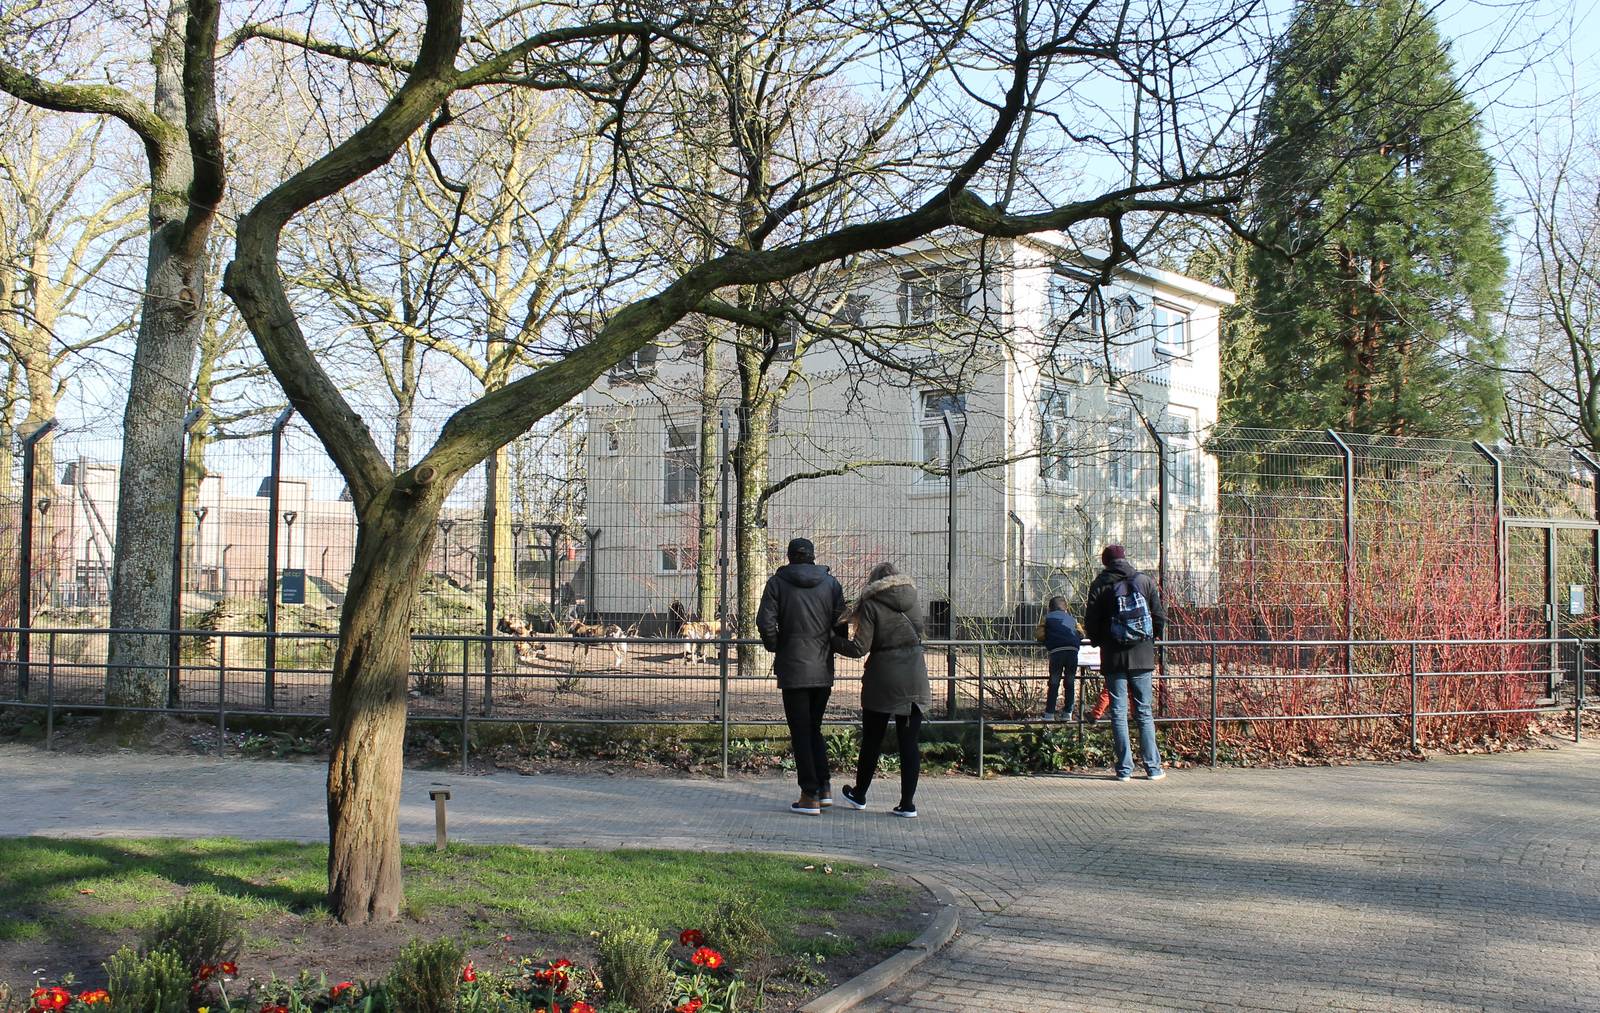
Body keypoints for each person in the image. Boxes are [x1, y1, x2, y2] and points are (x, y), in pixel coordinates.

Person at [832, 562, 931, 818]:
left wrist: (831, 640)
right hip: (915, 677)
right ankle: (907, 804)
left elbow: (859, 648)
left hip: (883, 679)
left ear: (874, 582)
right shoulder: (913, 599)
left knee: (872, 740)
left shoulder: (871, 603)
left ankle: (860, 793)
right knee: (909, 742)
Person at [757, 537, 846, 815]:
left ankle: (809, 795)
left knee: (800, 732)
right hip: (822, 668)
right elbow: (841, 624)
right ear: (812, 556)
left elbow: (765, 622)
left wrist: (776, 645)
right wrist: (831, 643)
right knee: (814, 729)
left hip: (793, 668)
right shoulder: (831, 584)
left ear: (790, 556)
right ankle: (825, 786)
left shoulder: (777, 584)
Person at [1082, 544, 1168, 781]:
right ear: (1125, 559)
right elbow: (1159, 616)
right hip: (1142, 655)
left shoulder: (1100, 585)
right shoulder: (1145, 581)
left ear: (1105, 562)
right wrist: (1149, 639)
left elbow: (1091, 623)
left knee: (1118, 713)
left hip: (1113, 656)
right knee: (1143, 712)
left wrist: (1100, 641)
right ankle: (1153, 768)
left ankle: (1124, 769)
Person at [1035, 596, 1082, 721]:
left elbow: (1039, 635)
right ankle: (1068, 713)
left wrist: (1049, 638)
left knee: (1054, 682)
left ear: (1049, 609)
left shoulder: (1047, 618)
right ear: (1066, 609)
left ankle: (1049, 713)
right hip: (1072, 652)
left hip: (1057, 652)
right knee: (1070, 682)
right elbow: (1081, 633)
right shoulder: (1072, 619)